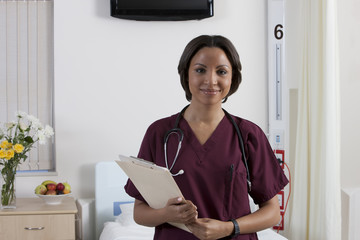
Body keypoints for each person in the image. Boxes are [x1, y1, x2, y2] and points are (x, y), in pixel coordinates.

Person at [124, 35, 289, 240]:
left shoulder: (249, 135)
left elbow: (272, 213)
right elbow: (139, 213)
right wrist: (166, 214)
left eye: (221, 71)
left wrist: (229, 227)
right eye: (200, 70)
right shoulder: (159, 133)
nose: (211, 80)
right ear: (186, 75)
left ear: (232, 78)